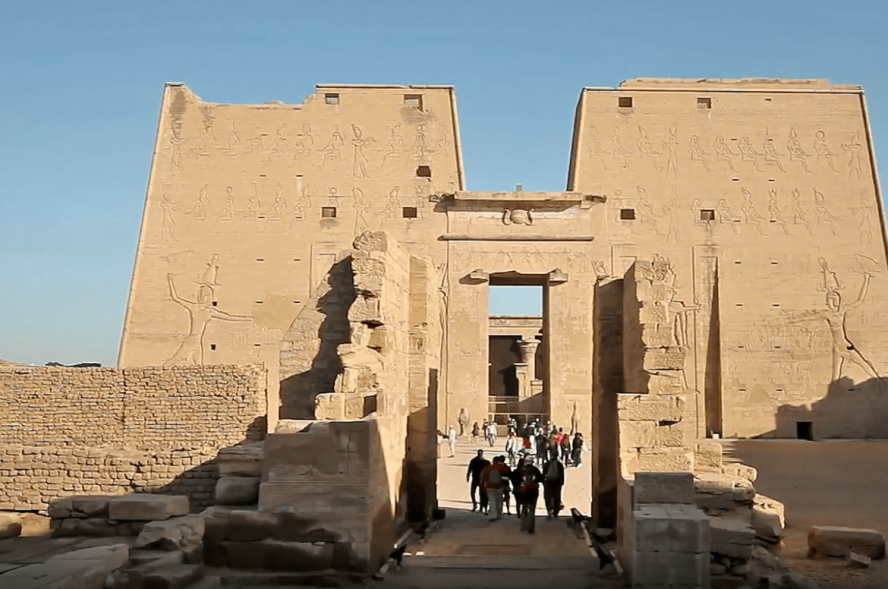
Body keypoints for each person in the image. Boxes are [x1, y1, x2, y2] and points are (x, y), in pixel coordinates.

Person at [517, 460, 544, 533]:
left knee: (524, 508)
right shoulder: (536, 470)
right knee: (532, 508)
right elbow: (541, 479)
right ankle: (531, 527)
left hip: (524, 490)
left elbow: (516, 480)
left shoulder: (521, 470)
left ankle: (523, 526)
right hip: (533, 490)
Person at [481, 455, 511, 521]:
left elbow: (483, 478)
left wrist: (484, 486)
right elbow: (508, 475)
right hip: (499, 486)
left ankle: (492, 515)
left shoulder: (488, 468)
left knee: (492, 501)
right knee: (499, 501)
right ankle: (499, 514)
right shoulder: (502, 467)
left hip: (489, 486)